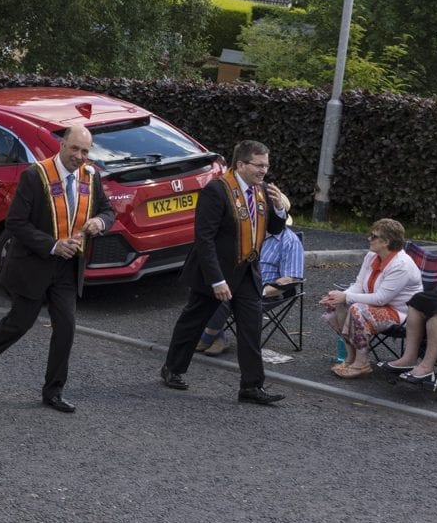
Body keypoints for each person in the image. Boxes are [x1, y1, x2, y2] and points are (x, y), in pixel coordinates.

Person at [0, 124, 116, 413]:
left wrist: (101, 222)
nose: (79, 156)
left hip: (67, 267)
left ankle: (53, 391)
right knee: (20, 323)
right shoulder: (35, 176)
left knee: (66, 328)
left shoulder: (90, 176)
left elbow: (107, 210)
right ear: (62, 145)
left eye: (85, 151)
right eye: (74, 148)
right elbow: (16, 223)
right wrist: (52, 245)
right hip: (33, 265)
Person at [159, 140, 288, 405]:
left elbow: (274, 229)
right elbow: (204, 239)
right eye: (259, 165)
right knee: (193, 322)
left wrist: (280, 208)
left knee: (251, 330)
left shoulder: (262, 190)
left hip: (247, 272)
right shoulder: (216, 191)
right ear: (240, 164)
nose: (264, 171)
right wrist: (216, 280)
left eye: (267, 165)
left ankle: (251, 387)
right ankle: (173, 368)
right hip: (214, 273)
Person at [195, 193, 304, 356]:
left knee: (224, 297)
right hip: (237, 279)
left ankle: (206, 337)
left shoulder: (290, 241)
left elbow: (291, 279)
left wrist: (262, 291)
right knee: (205, 283)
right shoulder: (250, 233)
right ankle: (218, 337)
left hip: (266, 292)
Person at [319, 218, 422, 379]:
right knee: (337, 305)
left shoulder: (401, 265)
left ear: (386, 242)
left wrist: (346, 296)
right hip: (377, 306)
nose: (369, 239)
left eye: (373, 236)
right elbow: (359, 285)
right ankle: (350, 357)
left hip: (400, 312)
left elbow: (381, 299)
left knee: (356, 308)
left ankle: (362, 364)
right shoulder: (371, 256)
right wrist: (338, 297)